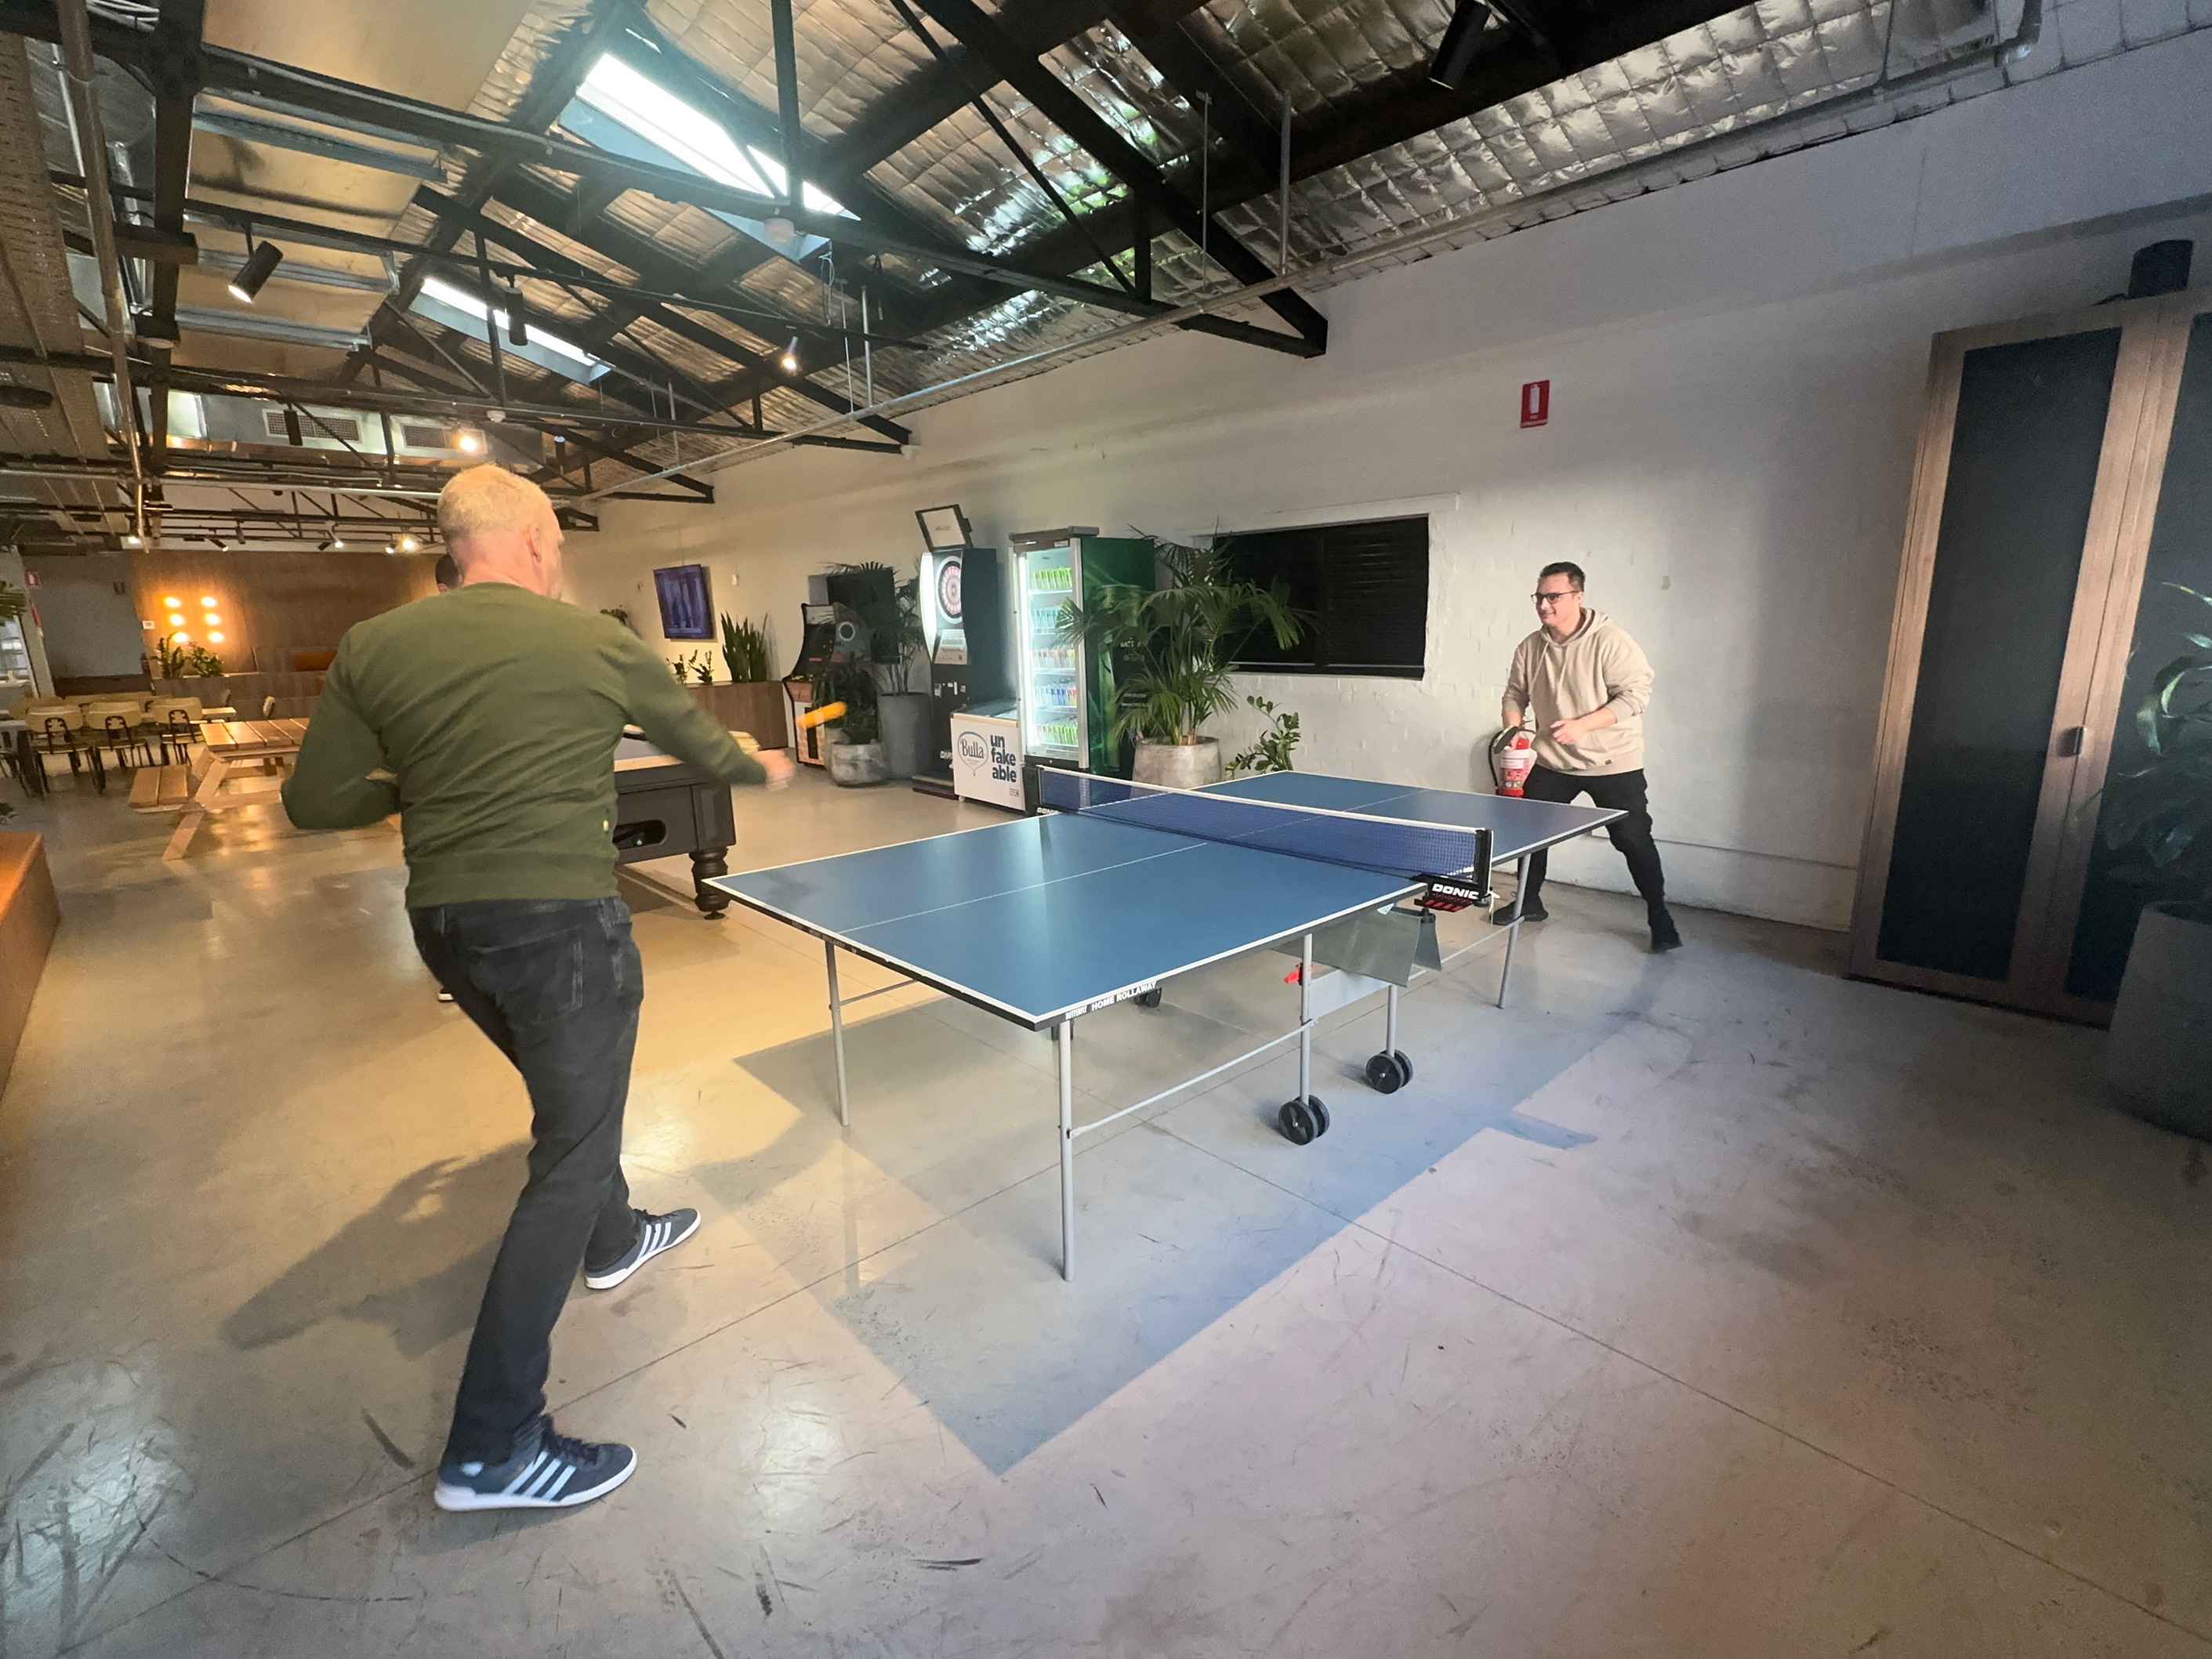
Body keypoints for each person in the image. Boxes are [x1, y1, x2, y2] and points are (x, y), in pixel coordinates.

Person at [283, 465, 794, 1513]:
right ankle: (492, 1447)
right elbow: (705, 751)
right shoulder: (594, 643)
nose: (558, 557)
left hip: (449, 932)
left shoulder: (376, 648)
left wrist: (418, 779)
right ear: (529, 539)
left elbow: (314, 799)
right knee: (569, 1154)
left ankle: (613, 1239)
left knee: (575, 1110)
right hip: (560, 927)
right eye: (555, 541)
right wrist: (765, 765)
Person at [1495, 560, 1681, 953]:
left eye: (1554, 597)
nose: (1544, 605)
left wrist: (1584, 725)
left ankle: (1659, 916)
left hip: (1613, 762)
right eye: (1540, 597)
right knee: (1529, 835)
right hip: (1553, 762)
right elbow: (1515, 692)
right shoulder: (1531, 647)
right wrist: (1513, 728)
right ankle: (1529, 901)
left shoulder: (1611, 641)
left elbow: (1635, 696)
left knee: (1633, 841)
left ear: (1578, 596)